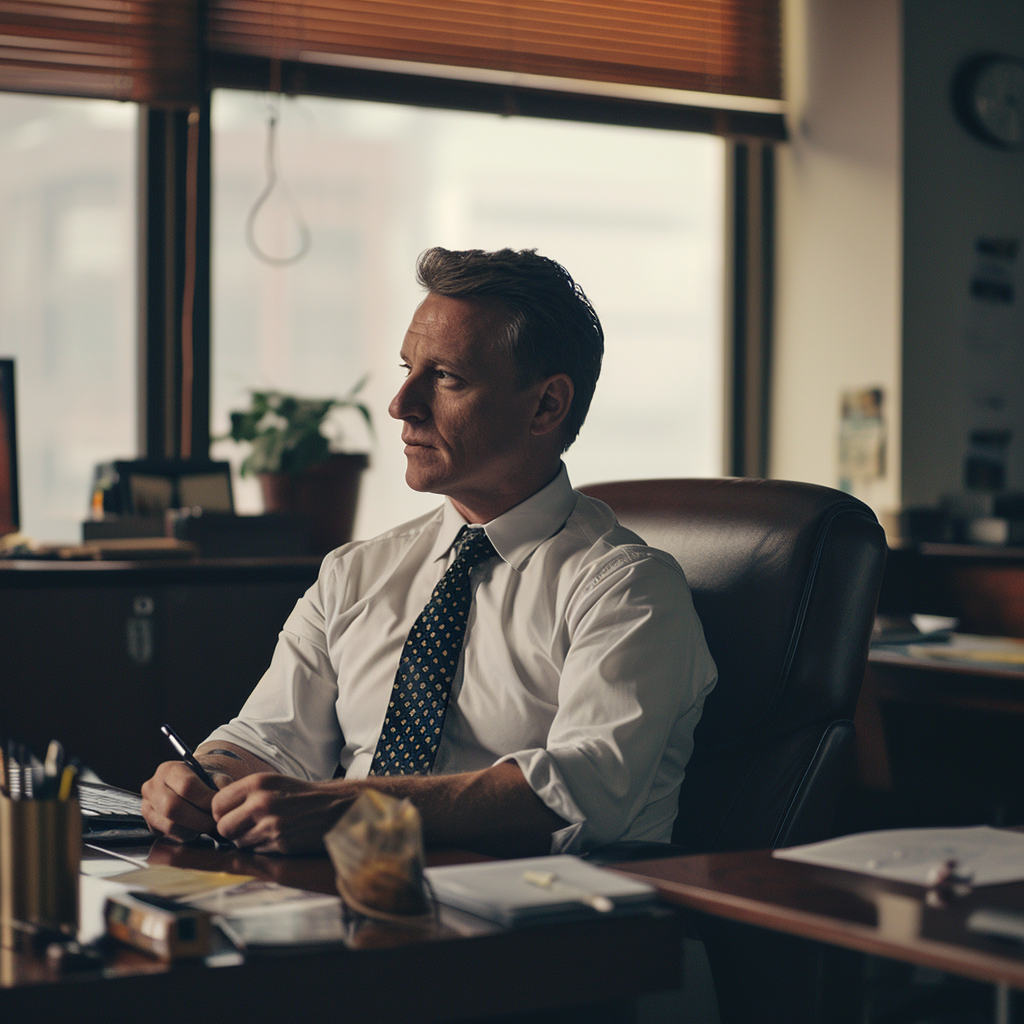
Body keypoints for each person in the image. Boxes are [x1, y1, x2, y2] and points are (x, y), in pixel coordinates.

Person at [141, 247, 717, 857]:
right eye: (407, 368)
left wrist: (360, 809)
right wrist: (208, 777)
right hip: (346, 900)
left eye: (446, 377)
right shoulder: (354, 573)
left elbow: (582, 791)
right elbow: (268, 737)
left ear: (547, 405)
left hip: (543, 928)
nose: (401, 405)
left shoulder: (628, 589)